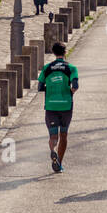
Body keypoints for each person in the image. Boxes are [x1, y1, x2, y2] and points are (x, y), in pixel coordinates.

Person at [37, 41, 79, 174]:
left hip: (51, 105)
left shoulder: (47, 68)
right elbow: (75, 85)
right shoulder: (71, 68)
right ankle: (59, 163)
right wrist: (70, 91)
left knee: (53, 135)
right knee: (64, 134)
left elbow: (39, 87)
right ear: (65, 52)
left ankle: (53, 150)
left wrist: (50, 89)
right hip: (66, 106)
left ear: (54, 53)